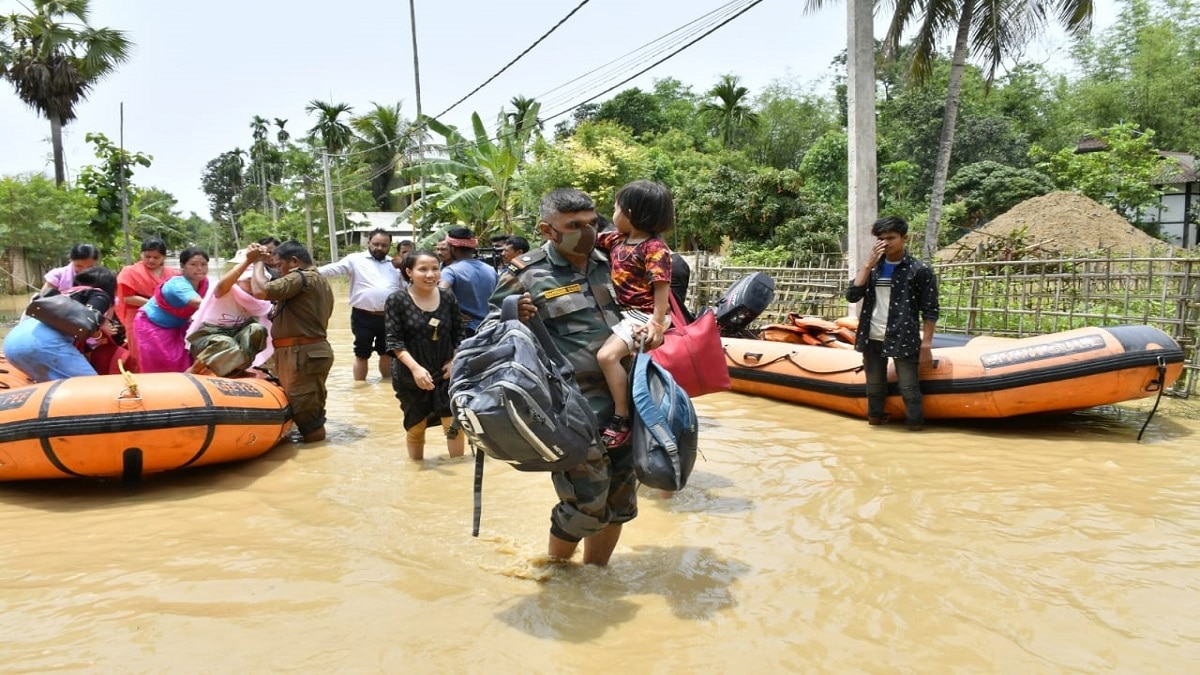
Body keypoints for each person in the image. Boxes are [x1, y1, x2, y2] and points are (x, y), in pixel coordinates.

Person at [491, 187, 652, 567]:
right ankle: (557, 576)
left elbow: (640, 311)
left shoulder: (612, 263)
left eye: (592, 221)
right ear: (547, 230)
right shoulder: (526, 274)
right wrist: (517, 316)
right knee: (584, 503)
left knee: (620, 500)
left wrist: (649, 330)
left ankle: (596, 576)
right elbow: (493, 337)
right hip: (572, 412)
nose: (588, 230)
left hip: (625, 405)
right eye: (574, 225)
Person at [593, 180, 675, 448]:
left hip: (643, 313)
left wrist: (657, 323)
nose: (613, 214)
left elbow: (661, 287)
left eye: (615, 208)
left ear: (629, 212)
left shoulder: (654, 248)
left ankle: (621, 416)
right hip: (627, 313)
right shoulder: (617, 239)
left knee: (606, 356)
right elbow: (590, 240)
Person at [845, 215, 940, 431]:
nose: (885, 243)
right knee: (874, 388)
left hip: (903, 335)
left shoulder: (919, 270)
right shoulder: (874, 269)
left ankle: (915, 431)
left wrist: (926, 344)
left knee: (909, 389)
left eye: (891, 237)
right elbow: (852, 295)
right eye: (880, 238)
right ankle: (874, 428)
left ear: (904, 238)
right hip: (872, 336)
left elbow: (930, 309)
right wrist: (868, 266)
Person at [385, 250, 468, 460]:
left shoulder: (448, 296)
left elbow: (459, 333)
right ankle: (417, 473)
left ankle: (458, 470)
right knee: (416, 426)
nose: (430, 274)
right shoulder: (397, 300)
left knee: (454, 425)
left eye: (435, 268)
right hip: (411, 374)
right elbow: (394, 341)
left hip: (445, 370)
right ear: (409, 272)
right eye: (423, 269)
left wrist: (455, 361)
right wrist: (415, 369)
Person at [251, 240, 335, 443]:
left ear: (295, 261)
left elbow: (261, 290)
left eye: (279, 265)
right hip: (302, 352)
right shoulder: (317, 280)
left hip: (302, 353)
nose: (278, 271)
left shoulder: (301, 278)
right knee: (304, 410)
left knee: (309, 418)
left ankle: (317, 463)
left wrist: (257, 263)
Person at [4, 266, 119, 382]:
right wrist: (101, 331)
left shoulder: (64, 294)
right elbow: (87, 324)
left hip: (11, 344)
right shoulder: (99, 294)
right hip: (43, 344)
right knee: (92, 387)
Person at [317, 227, 401, 381]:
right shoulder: (355, 260)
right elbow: (334, 269)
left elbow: (407, 288)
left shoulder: (396, 265)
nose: (379, 248)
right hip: (363, 316)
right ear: (368, 242)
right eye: (376, 244)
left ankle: (387, 386)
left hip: (389, 317)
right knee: (362, 354)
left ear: (390, 246)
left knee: (387, 353)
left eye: (384, 245)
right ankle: (360, 388)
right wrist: (308, 272)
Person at [185, 242, 274, 377]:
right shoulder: (227, 288)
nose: (252, 287)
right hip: (208, 337)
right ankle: (195, 369)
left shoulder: (260, 300)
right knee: (226, 343)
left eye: (254, 283)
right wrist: (249, 260)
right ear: (238, 281)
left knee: (257, 330)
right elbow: (221, 286)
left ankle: (238, 369)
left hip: (235, 336)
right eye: (248, 282)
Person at [133, 246, 210, 373]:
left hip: (179, 326)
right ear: (182, 266)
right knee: (159, 365)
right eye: (193, 264)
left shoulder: (204, 282)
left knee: (184, 360)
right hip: (152, 326)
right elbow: (196, 302)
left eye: (203, 264)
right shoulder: (177, 284)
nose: (200, 268)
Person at [116, 237, 181, 371]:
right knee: (139, 353)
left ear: (163, 257)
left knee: (164, 352)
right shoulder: (130, 272)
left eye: (156, 257)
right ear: (141, 255)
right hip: (137, 316)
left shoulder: (174, 274)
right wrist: (156, 304)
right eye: (147, 256)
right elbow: (128, 298)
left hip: (166, 319)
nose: (151, 260)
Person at [438, 226, 498, 335]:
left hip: (465, 330)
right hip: (490, 328)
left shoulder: (450, 271)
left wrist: (453, 313)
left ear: (453, 248)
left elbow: (441, 292)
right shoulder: (490, 270)